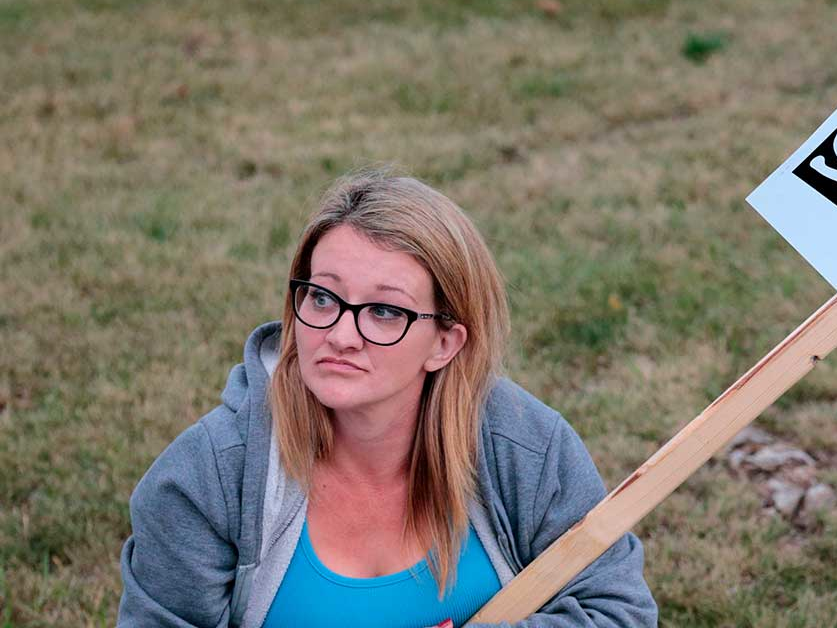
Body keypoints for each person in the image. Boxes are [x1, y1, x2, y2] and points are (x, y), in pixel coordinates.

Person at [118, 168, 657, 627]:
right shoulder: (205, 479)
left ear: (445, 342)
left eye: (384, 311)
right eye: (324, 297)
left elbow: (618, 610)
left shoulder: (524, 447)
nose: (341, 335)